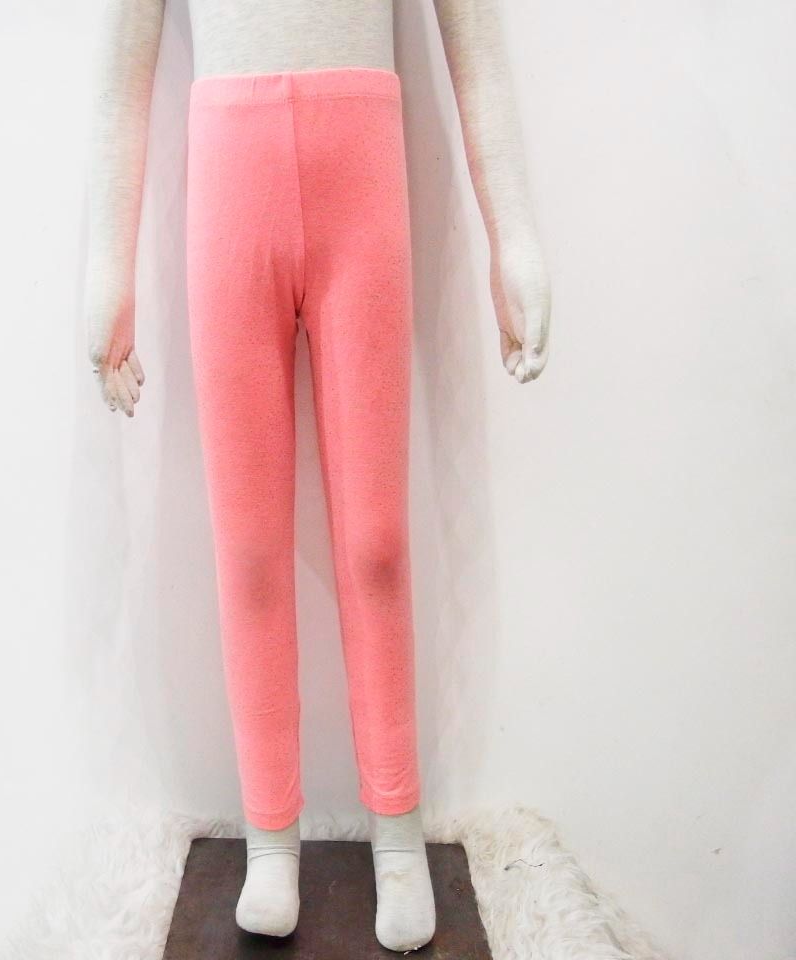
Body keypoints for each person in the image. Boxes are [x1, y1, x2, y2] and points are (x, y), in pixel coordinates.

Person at [83, 1, 551, 952]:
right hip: (231, 184)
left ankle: (397, 833)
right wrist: (106, 273)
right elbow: (122, 78)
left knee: (375, 542)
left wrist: (518, 238)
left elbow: (476, 44)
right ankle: (270, 839)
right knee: (249, 544)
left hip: (360, 180)